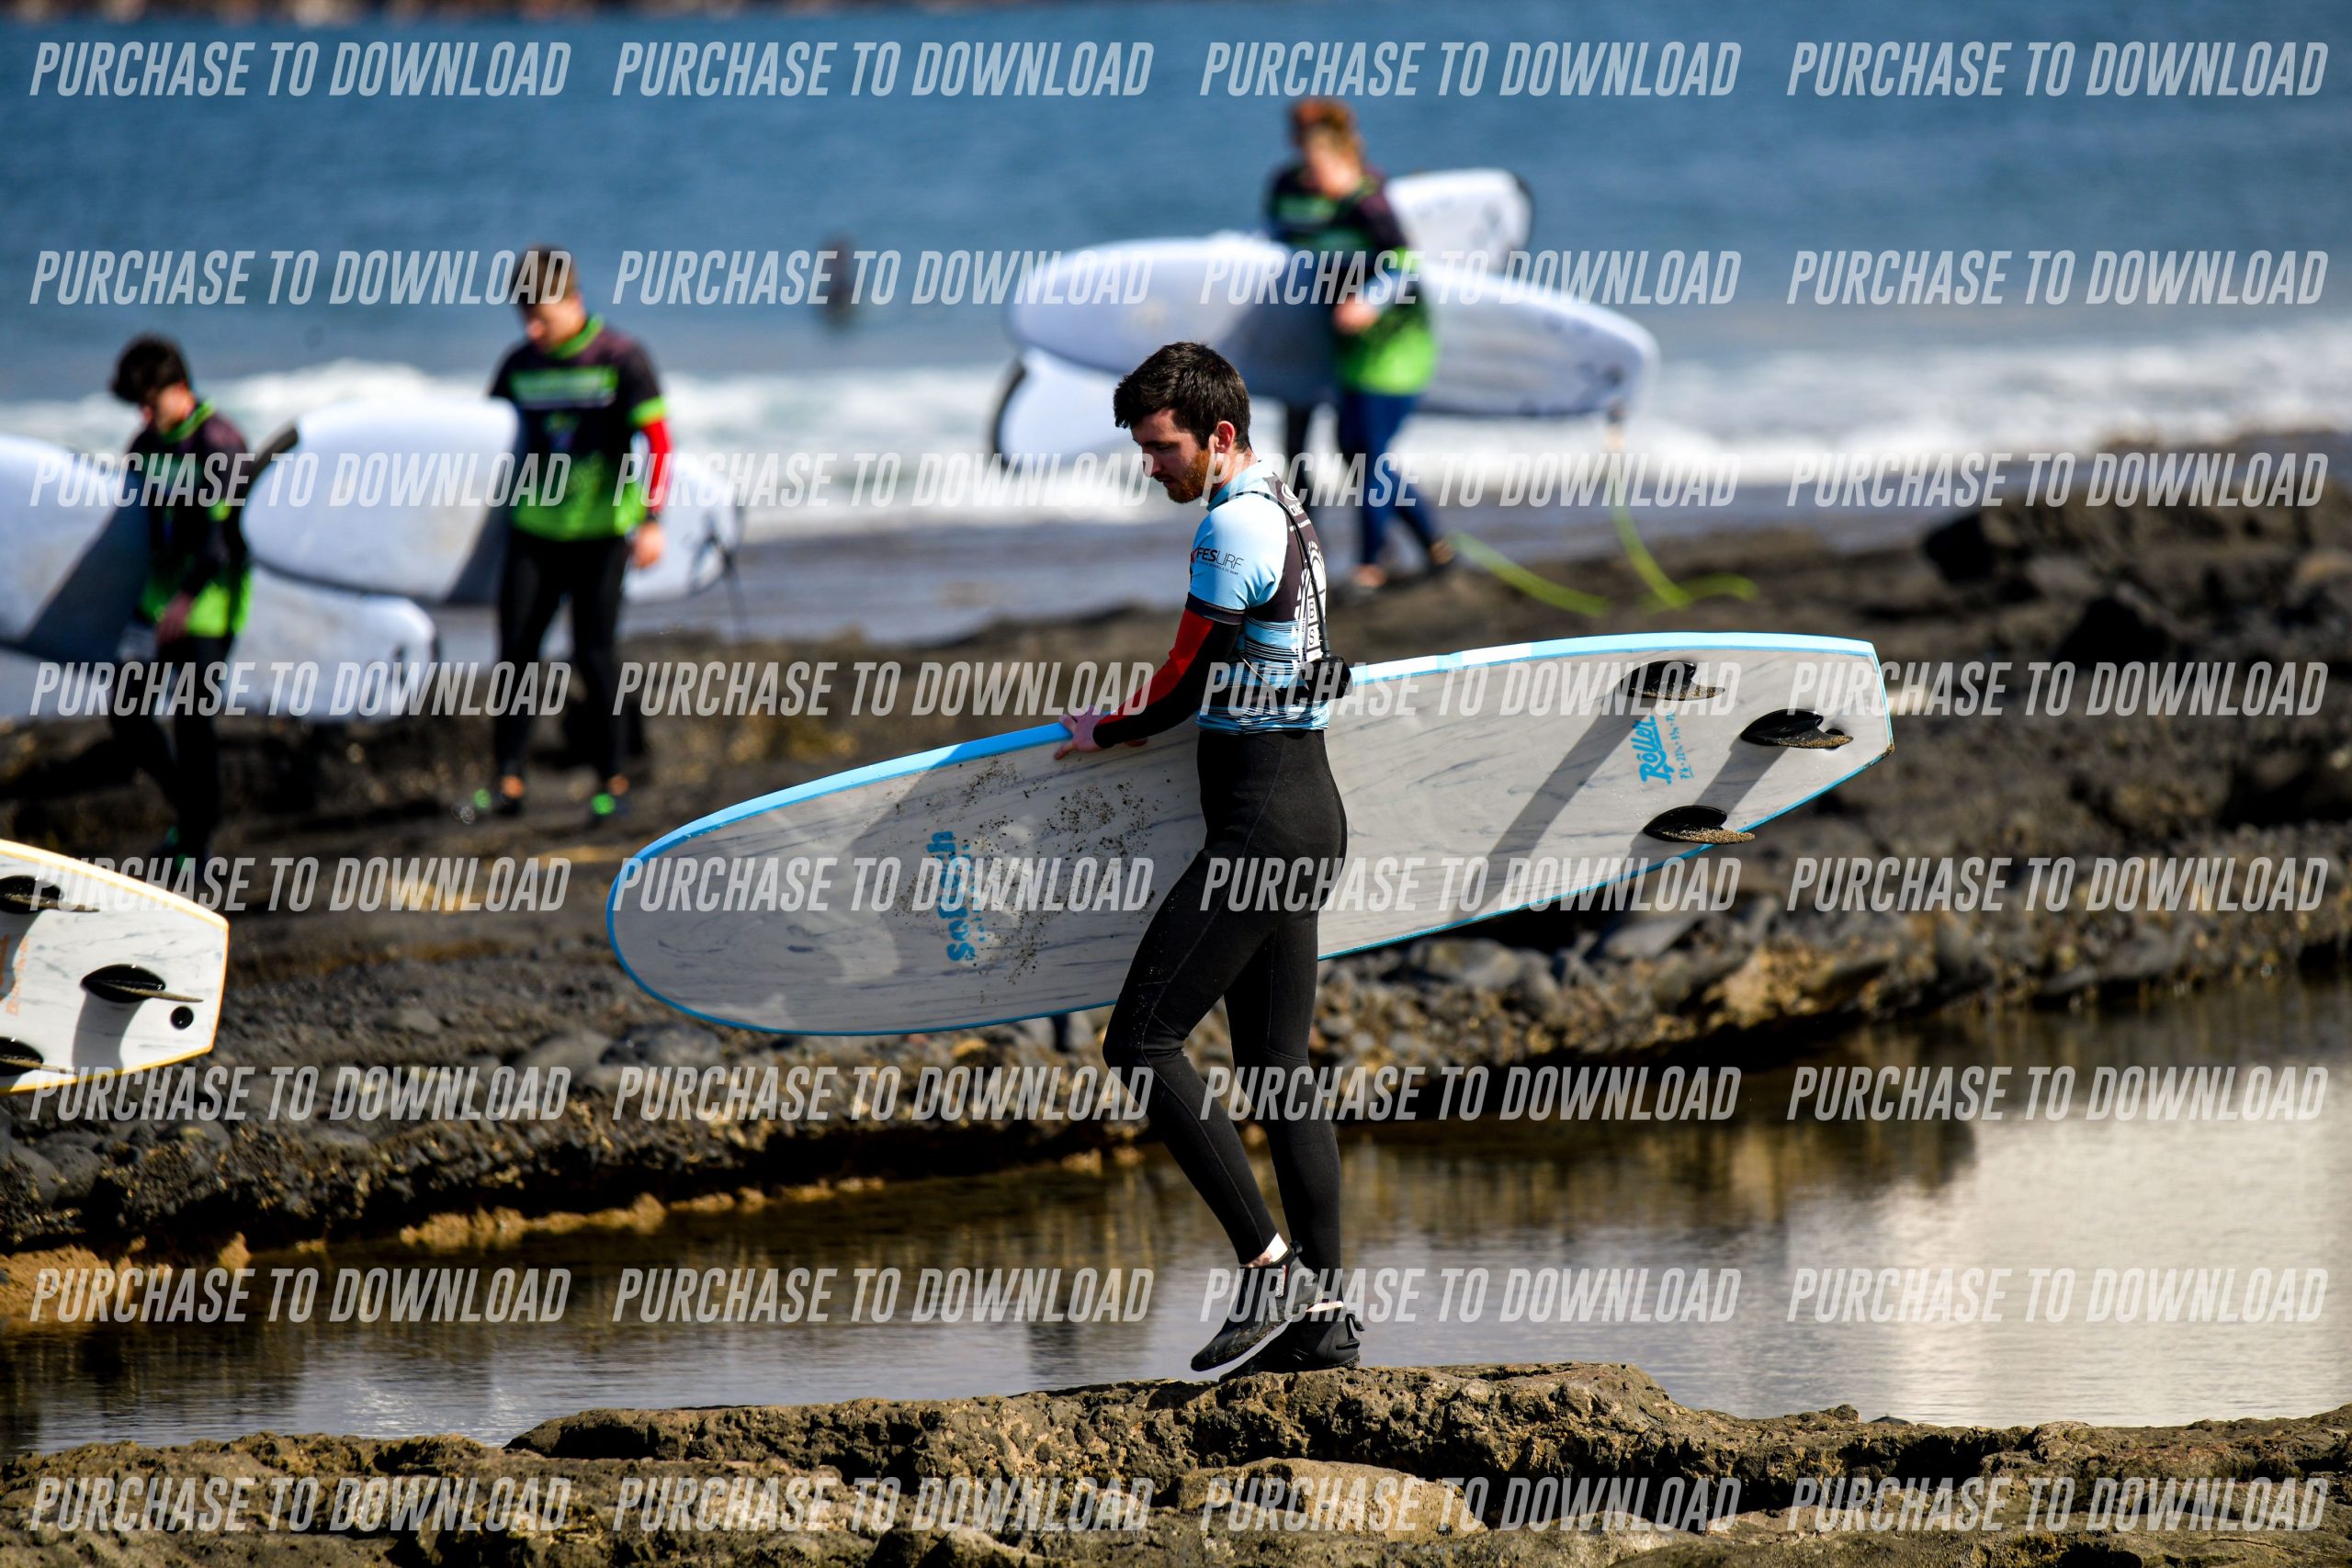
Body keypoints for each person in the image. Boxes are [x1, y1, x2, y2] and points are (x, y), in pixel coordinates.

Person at [1057, 342, 1361, 1376]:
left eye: (1162, 447)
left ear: (1217, 435)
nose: (1151, 466)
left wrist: (1105, 731)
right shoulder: (1285, 507)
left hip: (1257, 828)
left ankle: (1269, 1269)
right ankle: (1326, 1320)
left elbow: (1184, 682)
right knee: (1279, 1073)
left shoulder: (1229, 528)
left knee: (1141, 1043)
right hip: (1309, 813)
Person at [480, 244, 669, 824]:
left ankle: (611, 781)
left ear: (573, 300)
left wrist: (652, 521)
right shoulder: (520, 365)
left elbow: (659, 443)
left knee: (595, 656)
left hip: (600, 534)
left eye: (541, 316)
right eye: (524, 318)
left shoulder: (621, 357)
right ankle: (507, 781)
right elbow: (485, 445)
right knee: (515, 655)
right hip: (534, 531)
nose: (533, 329)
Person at [1272, 101, 1450, 591]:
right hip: (1343, 348)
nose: (1312, 179)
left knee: (1367, 455)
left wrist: (1370, 300)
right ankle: (1434, 547)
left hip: (1392, 349)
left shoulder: (1368, 201)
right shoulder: (1312, 200)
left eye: (1320, 167)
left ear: (1344, 157)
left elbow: (1405, 264)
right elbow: (1283, 249)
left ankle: (1370, 565)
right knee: (1351, 452)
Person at [108, 335, 253, 873]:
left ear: (180, 387)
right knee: (127, 714)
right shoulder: (144, 446)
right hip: (156, 602)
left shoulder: (219, 442)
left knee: (193, 723)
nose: (144, 416)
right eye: (138, 406)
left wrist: (187, 599)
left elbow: (223, 541)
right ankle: (190, 815)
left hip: (209, 604)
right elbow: (134, 528)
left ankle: (196, 845)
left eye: (150, 403)